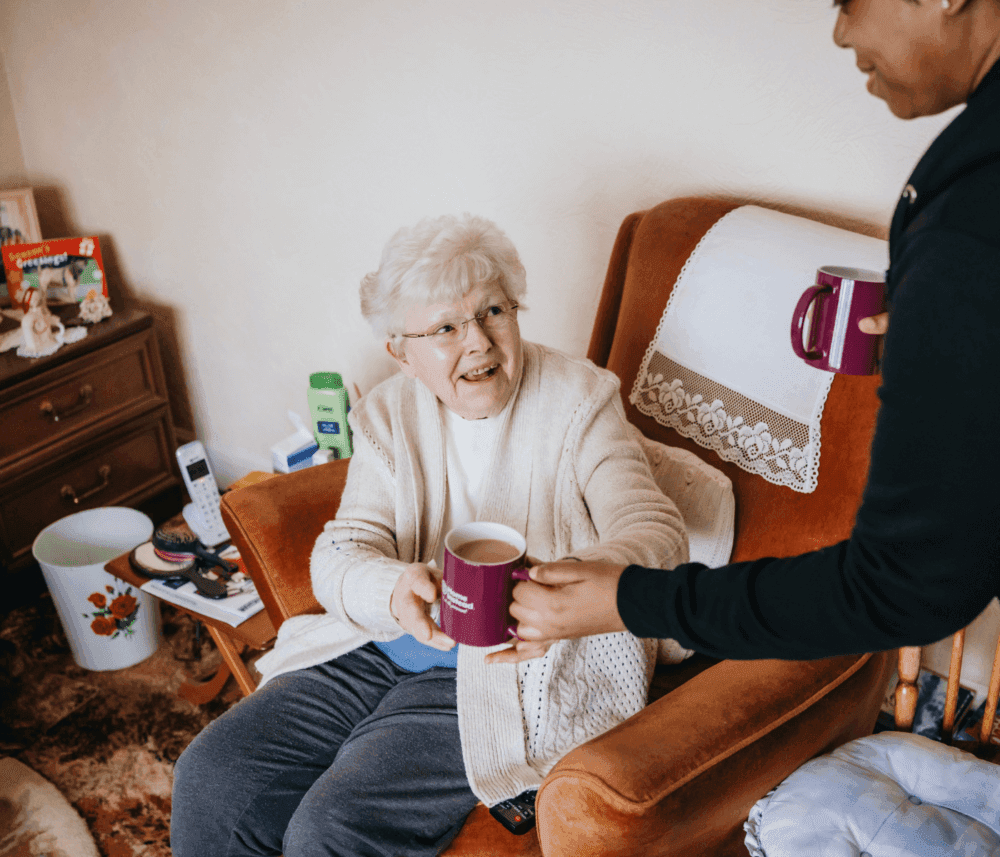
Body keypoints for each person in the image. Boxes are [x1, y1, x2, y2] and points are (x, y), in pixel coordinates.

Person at [170, 214, 687, 857]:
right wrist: (394, 589)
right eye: (445, 328)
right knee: (211, 777)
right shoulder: (389, 414)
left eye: (494, 311)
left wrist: (561, 586)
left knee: (329, 827)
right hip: (379, 644)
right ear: (402, 353)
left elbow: (655, 531)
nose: (479, 343)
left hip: (506, 670)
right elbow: (339, 553)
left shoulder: (579, 400)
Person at [508, 0, 1000, 662]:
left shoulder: (968, 223)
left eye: (846, 1)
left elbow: (899, 585)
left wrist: (630, 600)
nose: (840, 30)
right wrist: (953, 348)